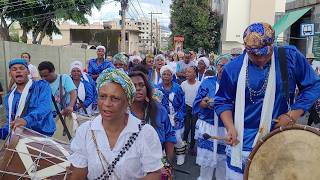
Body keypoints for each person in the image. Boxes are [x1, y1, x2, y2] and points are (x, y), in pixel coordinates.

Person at [214, 22, 320, 179]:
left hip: (278, 138)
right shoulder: (233, 68)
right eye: (255, 55)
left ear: (272, 44)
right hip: (241, 143)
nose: (261, 59)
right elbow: (222, 101)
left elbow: (313, 86)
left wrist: (292, 114)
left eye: (265, 54)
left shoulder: (289, 57)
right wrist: (230, 127)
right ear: (246, 49)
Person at [69, 68, 163, 180]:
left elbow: (154, 173)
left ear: (128, 101)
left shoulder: (145, 133)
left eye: (115, 98)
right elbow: (78, 174)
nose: (107, 104)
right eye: (102, 96)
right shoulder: (85, 131)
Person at [193, 54, 232, 180]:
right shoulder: (208, 82)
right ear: (216, 67)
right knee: (206, 163)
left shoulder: (234, 84)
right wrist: (204, 103)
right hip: (208, 126)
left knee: (223, 163)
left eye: (227, 66)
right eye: (221, 66)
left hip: (226, 128)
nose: (223, 69)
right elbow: (198, 102)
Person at [0, 59, 55, 139]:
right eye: (14, 69)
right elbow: (10, 123)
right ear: (10, 74)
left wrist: (26, 120)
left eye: (21, 68)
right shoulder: (9, 98)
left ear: (28, 72)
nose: (18, 71)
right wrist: (2, 132)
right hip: (20, 139)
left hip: (43, 138)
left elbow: (45, 106)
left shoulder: (42, 86)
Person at [129, 71, 176, 164]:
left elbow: (169, 136)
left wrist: (168, 164)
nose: (138, 88)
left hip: (157, 161)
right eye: (133, 86)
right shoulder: (122, 112)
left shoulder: (159, 110)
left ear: (147, 88)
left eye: (141, 85)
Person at [38, 61, 77, 140]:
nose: (43, 78)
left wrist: (70, 106)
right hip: (48, 118)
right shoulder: (41, 84)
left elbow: (73, 93)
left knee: (62, 139)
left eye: (46, 76)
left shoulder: (64, 78)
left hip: (63, 116)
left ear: (53, 71)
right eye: (41, 76)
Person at [157, 65, 186, 166]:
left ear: (172, 76)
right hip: (163, 117)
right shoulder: (157, 88)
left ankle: (180, 154)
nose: (166, 76)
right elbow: (155, 104)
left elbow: (182, 104)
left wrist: (180, 115)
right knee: (164, 138)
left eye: (168, 74)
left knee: (177, 137)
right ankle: (165, 159)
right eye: (164, 74)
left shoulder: (178, 88)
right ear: (161, 75)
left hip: (176, 116)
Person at [180, 66, 200, 154]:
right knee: (186, 128)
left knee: (193, 129)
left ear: (195, 74)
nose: (186, 74)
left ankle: (192, 146)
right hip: (186, 108)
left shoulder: (199, 84)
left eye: (189, 72)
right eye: (186, 72)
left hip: (196, 109)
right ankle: (183, 145)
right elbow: (180, 97)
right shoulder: (183, 84)